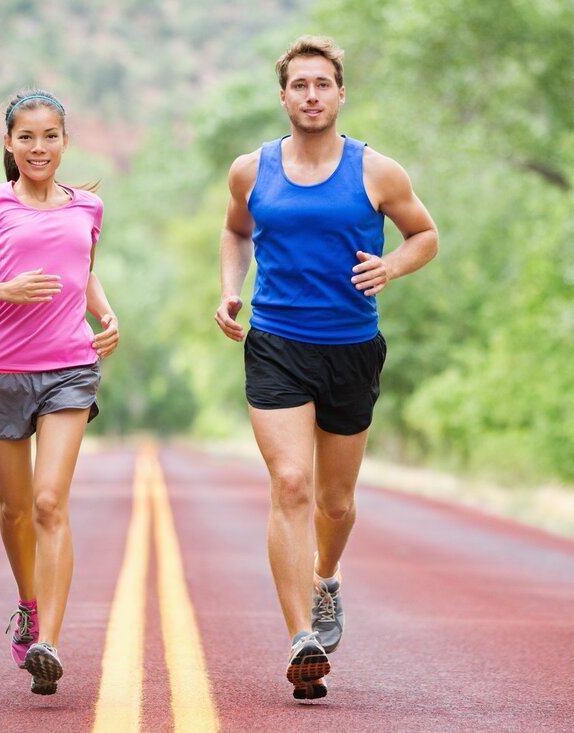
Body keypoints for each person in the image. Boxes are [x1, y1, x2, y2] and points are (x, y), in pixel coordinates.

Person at [214, 36, 439, 701]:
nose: (311, 95)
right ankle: (299, 636)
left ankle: (327, 579)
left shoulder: (377, 172)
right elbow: (235, 230)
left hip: (351, 347)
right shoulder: (251, 170)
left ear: (340, 94)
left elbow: (424, 235)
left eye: (323, 84)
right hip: (277, 341)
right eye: (300, 85)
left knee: (335, 502)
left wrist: (390, 265)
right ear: (283, 97)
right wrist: (231, 286)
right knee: (290, 483)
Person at [0, 89, 118, 696]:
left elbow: (81, 270)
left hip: (69, 368)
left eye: (51, 136)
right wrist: (1, 291)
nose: (40, 147)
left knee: (47, 504)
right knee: (14, 511)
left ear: (66, 141)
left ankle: (49, 644)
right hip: (2, 373)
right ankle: (28, 603)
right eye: (27, 137)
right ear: (9, 144)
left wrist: (105, 314)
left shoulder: (87, 207)